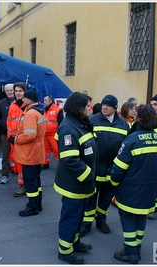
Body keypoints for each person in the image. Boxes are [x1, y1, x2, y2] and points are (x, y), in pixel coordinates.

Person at [111, 104, 157, 264]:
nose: (134, 117)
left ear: (139, 119)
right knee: (141, 219)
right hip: (150, 190)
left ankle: (130, 252)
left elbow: (119, 168)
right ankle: (137, 249)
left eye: (136, 115)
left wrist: (113, 183)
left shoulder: (132, 139)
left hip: (130, 189)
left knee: (128, 220)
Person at [54, 92, 96, 264]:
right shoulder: (69, 128)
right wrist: (88, 176)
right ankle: (65, 250)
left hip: (81, 183)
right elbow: (70, 160)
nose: (89, 109)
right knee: (71, 217)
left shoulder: (79, 123)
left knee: (77, 217)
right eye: (87, 106)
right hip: (75, 184)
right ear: (78, 107)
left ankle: (74, 241)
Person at [80, 95, 130, 236]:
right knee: (90, 197)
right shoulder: (92, 120)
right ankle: (86, 223)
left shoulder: (124, 124)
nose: (104, 107)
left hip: (112, 169)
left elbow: (126, 147)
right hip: (94, 168)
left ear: (115, 108)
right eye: (103, 105)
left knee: (106, 197)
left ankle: (101, 220)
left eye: (108, 105)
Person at [12, 90, 47, 216]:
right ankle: (38, 203)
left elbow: (30, 135)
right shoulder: (40, 110)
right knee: (36, 179)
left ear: (30, 100)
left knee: (30, 181)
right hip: (37, 150)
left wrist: (16, 139)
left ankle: (33, 206)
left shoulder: (31, 113)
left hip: (30, 152)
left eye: (25, 98)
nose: (23, 99)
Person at [7, 83, 27, 197]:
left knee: (27, 162)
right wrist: (9, 135)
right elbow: (9, 122)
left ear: (24, 92)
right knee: (18, 162)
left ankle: (29, 183)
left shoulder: (29, 105)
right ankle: (22, 184)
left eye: (20, 91)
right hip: (14, 140)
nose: (18, 93)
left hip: (25, 140)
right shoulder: (13, 105)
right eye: (16, 91)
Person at [0, 83, 15, 184]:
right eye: (8, 90)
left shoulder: (22, 103)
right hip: (5, 133)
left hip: (19, 134)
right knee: (5, 155)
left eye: (12, 90)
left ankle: (20, 174)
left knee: (20, 155)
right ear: (5, 92)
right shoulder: (1, 103)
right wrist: (2, 124)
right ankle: (5, 175)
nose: (10, 92)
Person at [41, 94, 64, 170]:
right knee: (45, 149)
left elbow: (61, 122)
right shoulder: (42, 109)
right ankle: (45, 163)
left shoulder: (57, 110)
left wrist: (60, 133)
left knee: (56, 149)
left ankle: (60, 164)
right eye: (44, 100)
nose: (44, 102)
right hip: (44, 133)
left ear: (50, 101)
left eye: (45, 100)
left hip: (54, 134)